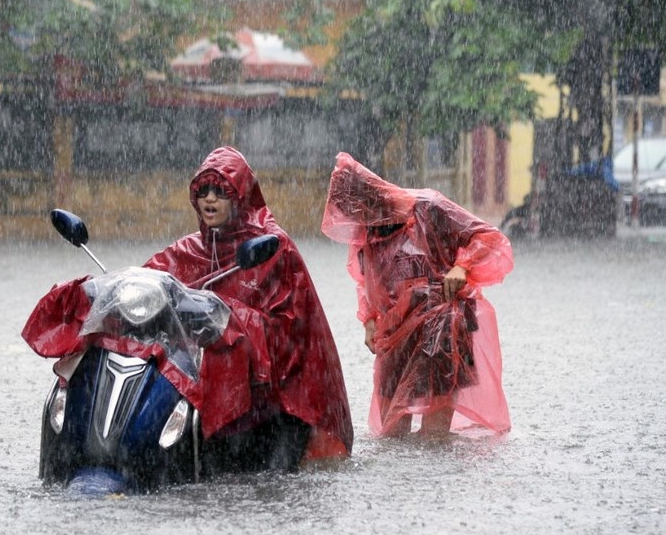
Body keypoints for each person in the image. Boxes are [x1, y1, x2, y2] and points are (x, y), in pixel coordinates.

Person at [143, 146, 353, 470]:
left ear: (240, 197)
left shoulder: (272, 248)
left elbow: (291, 335)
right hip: (215, 397)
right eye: (203, 191)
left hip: (277, 403)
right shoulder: (189, 251)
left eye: (221, 192)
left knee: (272, 485)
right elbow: (147, 284)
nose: (210, 200)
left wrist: (226, 316)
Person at [321, 152, 513, 437]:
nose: (357, 220)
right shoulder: (369, 231)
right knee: (392, 436)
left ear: (372, 198)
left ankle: (434, 479)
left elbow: (488, 238)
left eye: (358, 211)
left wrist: (462, 267)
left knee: (433, 438)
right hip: (394, 331)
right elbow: (365, 280)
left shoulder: (430, 208)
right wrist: (369, 320)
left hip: (440, 329)